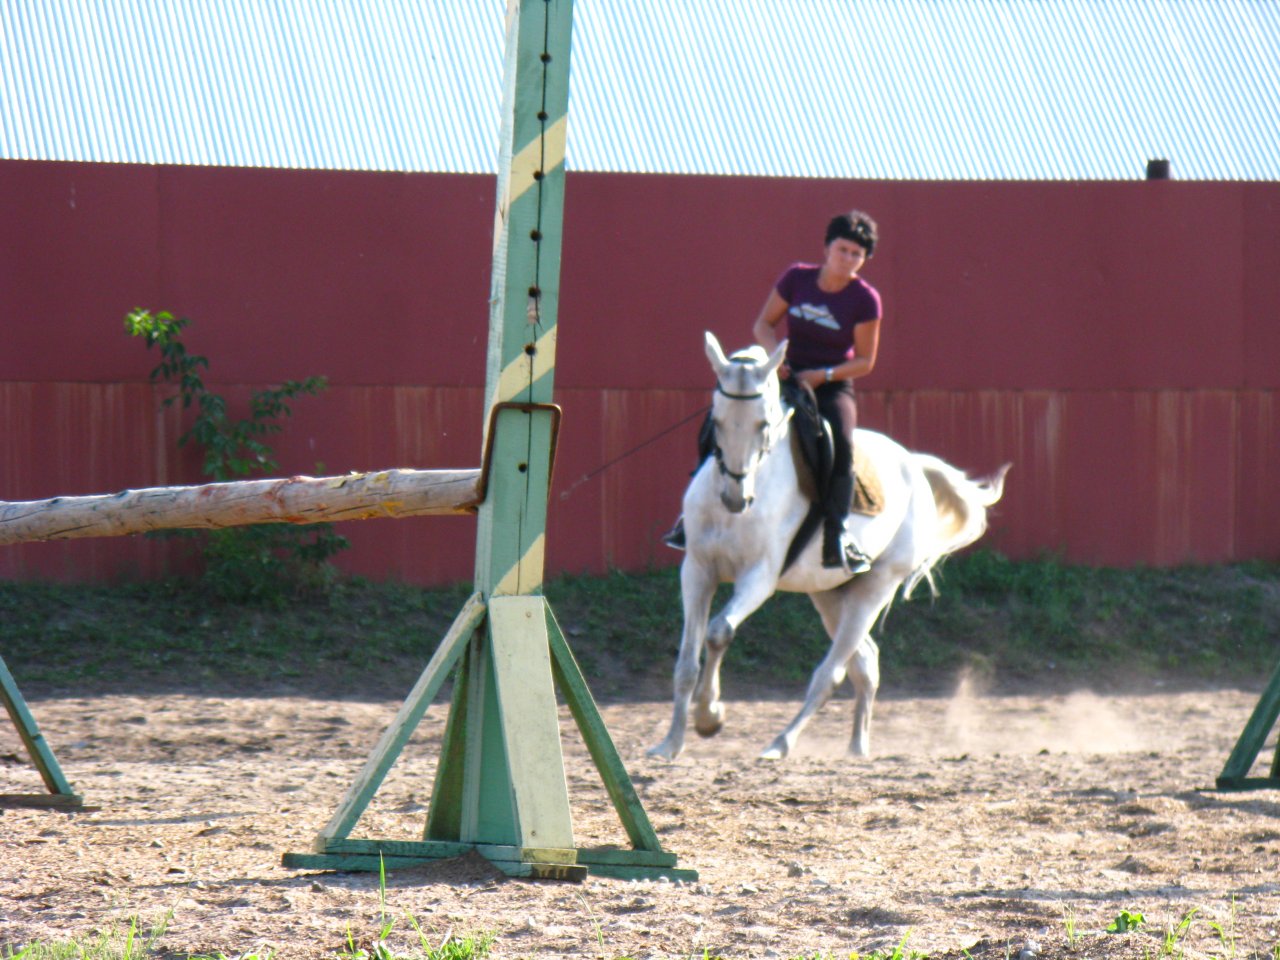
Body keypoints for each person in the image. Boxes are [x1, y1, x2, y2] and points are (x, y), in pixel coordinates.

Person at [664, 210, 882, 576]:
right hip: (784, 373)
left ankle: (838, 533)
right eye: (842, 250)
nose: (847, 259)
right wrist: (775, 361)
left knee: (842, 445)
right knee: (721, 420)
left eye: (856, 254)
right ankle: (690, 516)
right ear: (827, 248)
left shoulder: (865, 299)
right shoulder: (797, 278)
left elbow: (864, 361)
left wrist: (823, 375)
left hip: (830, 384)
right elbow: (763, 325)